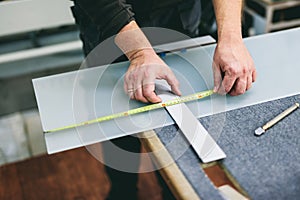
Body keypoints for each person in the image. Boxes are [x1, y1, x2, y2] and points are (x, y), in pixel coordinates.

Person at [71, 0, 257, 199]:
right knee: (115, 124)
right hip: (108, 24)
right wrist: (139, 52)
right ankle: (122, 189)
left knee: (173, 129)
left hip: (176, 17)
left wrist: (231, 39)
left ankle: (171, 190)